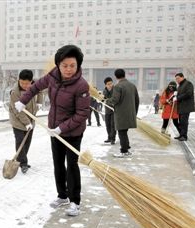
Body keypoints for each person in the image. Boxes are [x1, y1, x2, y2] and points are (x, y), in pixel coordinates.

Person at [14, 45, 90, 216]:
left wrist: (61, 128)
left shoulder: (81, 85)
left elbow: (82, 114)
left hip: (73, 132)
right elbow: (34, 87)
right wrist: (23, 100)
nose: (68, 69)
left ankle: (75, 201)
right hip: (53, 129)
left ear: (78, 65)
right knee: (57, 164)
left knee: (71, 165)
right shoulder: (53, 76)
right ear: (58, 65)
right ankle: (62, 195)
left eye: (72, 65)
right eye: (65, 65)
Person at [9, 69, 43, 174]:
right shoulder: (15, 92)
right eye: (22, 83)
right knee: (20, 141)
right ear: (19, 80)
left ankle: (21, 159)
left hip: (31, 116)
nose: (24, 85)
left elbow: (40, 90)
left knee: (27, 142)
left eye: (27, 83)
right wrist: (27, 123)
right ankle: (23, 163)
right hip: (17, 119)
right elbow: (17, 110)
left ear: (31, 81)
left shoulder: (34, 85)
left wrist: (39, 102)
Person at [105, 69, 139, 158]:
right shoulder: (132, 86)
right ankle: (126, 148)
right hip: (130, 113)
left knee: (121, 132)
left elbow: (115, 100)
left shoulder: (118, 86)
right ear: (124, 75)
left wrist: (106, 100)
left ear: (116, 76)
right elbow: (137, 100)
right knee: (124, 131)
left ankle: (124, 151)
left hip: (121, 114)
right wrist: (135, 112)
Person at [174, 72, 195, 141]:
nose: (177, 80)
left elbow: (189, 93)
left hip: (186, 106)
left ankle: (184, 136)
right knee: (181, 122)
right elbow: (179, 95)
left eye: (178, 78)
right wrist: (175, 96)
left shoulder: (188, 84)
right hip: (181, 107)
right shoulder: (180, 85)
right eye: (176, 79)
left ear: (182, 77)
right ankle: (181, 135)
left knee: (184, 122)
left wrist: (178, 97)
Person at [102, 77, 116, 144]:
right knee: (108, 124)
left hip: (114, 110)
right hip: (107, 110)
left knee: (113, 125)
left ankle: (113, 139)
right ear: (106, 85)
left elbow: (115, 99)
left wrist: (108, 101)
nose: (110, 85)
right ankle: (109, 137)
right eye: (108, 84)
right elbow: (102, 99)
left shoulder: (116, 90)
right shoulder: (104, 91)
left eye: (111, 83)